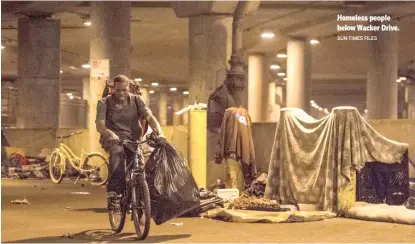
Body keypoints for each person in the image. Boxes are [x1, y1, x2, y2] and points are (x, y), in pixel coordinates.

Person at [96, 75, 164, 209]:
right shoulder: (104, 103)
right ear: (113, 89)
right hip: (113, 138)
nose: (121, 93)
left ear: (128, 88)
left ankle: (141, 195)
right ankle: (114, 193)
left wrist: (160, 132)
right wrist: (109, 133)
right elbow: (100, 124)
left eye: (124, 90)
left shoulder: (137, 100)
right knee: (118, 153)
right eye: (118, 90)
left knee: (140, 163)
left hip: (133, 139)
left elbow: (149, 117)